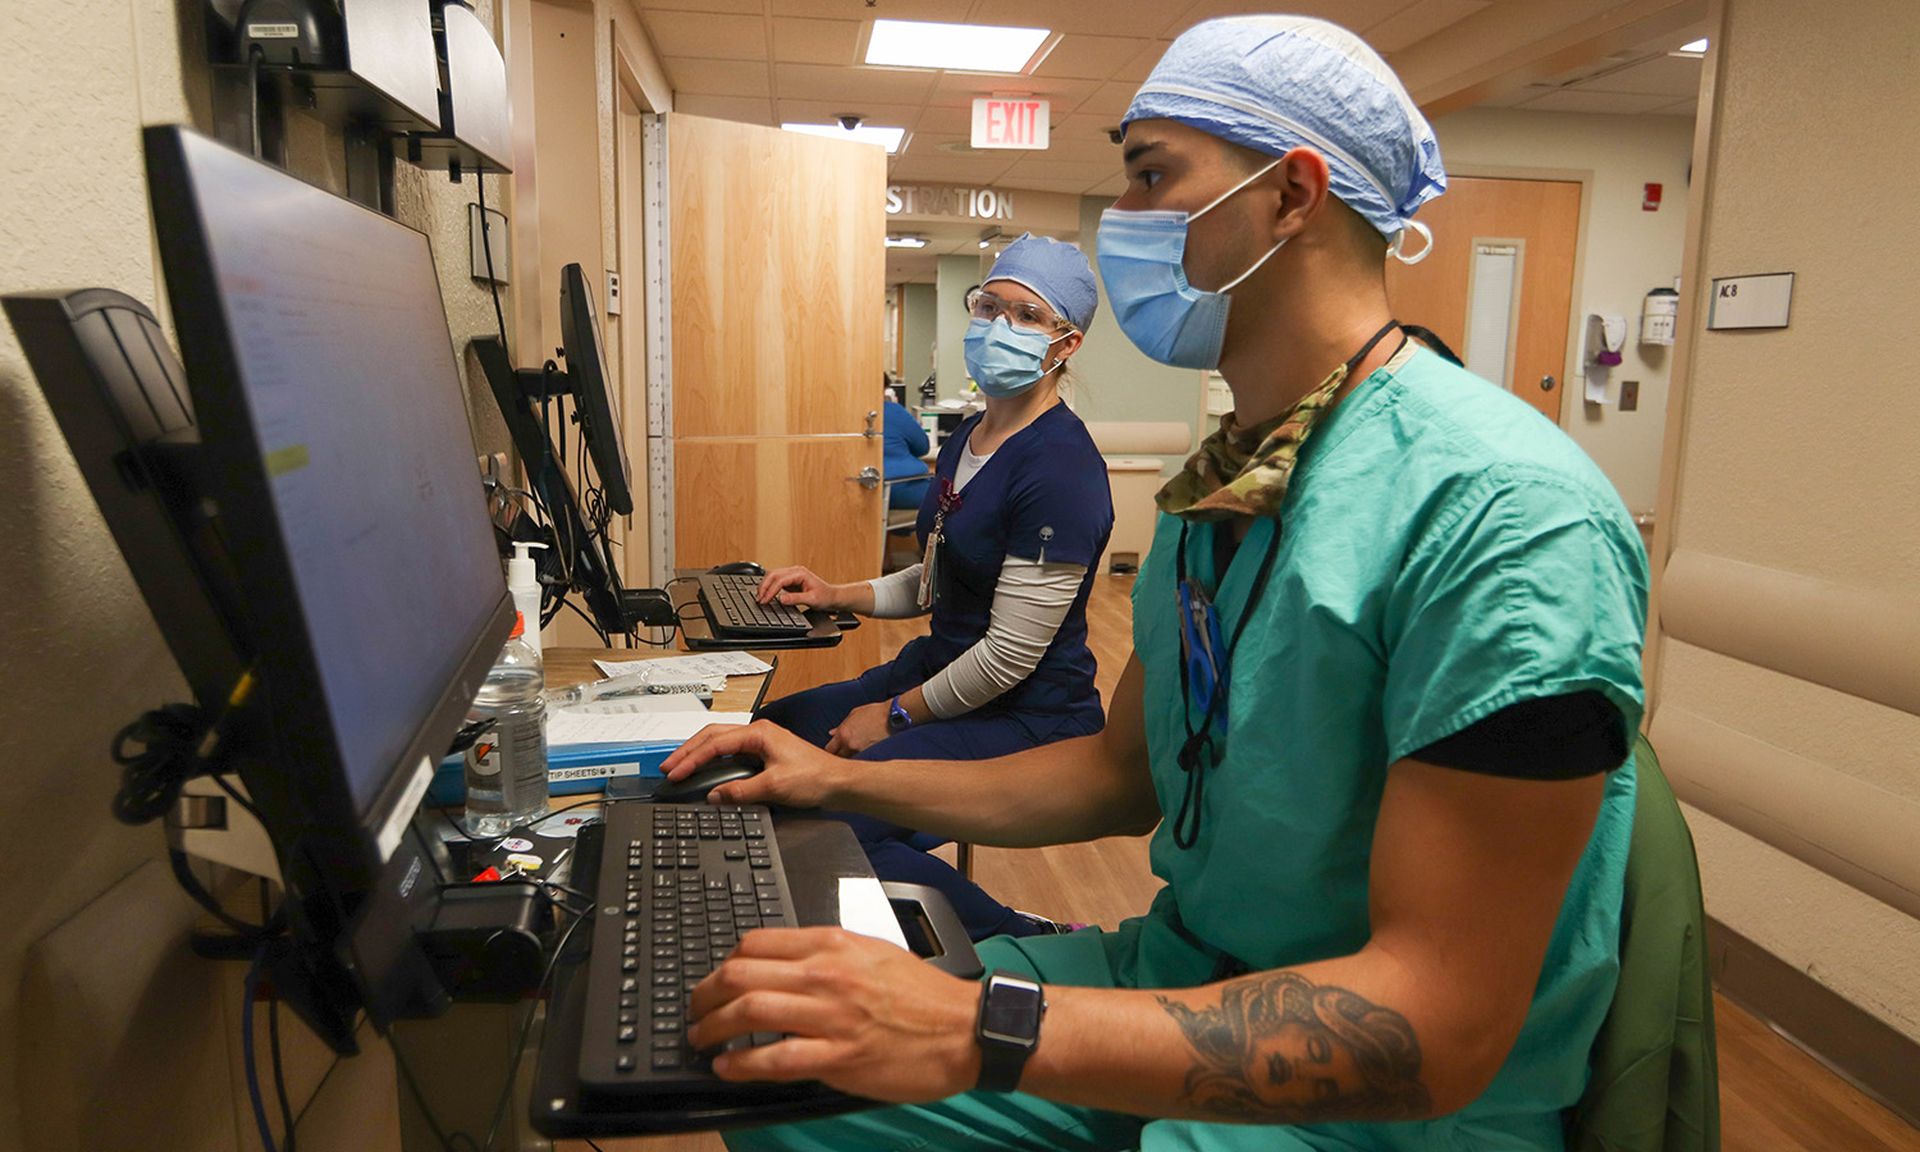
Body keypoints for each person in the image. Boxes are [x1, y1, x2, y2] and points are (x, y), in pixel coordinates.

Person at [661, 16, 1647, 1151]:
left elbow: (1435, 1026)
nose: (1120, 221)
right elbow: (1116, 776)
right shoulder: (1234, 483)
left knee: (821, 1090)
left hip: (1371, 1108)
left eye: (1149, 176)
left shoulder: (1502, 516)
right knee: (777, 1067)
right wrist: (834, 783)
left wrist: (977, 1030)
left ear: (1293, 195)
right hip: (1185, 972)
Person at [748, 233, 1116, 941]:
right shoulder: (970, 437)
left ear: (1064, 346)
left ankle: (1027, 940)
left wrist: (892, 716)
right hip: (938, 677)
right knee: (769, 738)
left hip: (1024, 714)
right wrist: (834, 594)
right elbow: (936, 578)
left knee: (829, 825)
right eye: (991, 307)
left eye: (1027, 317)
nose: (999, 327)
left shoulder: (1061, 470)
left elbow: (1010, 655)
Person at [880, 378, 931, 510]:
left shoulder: (842, 414)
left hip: (864, 489)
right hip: (901, 487)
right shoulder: (892, 410)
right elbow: (922, 447)